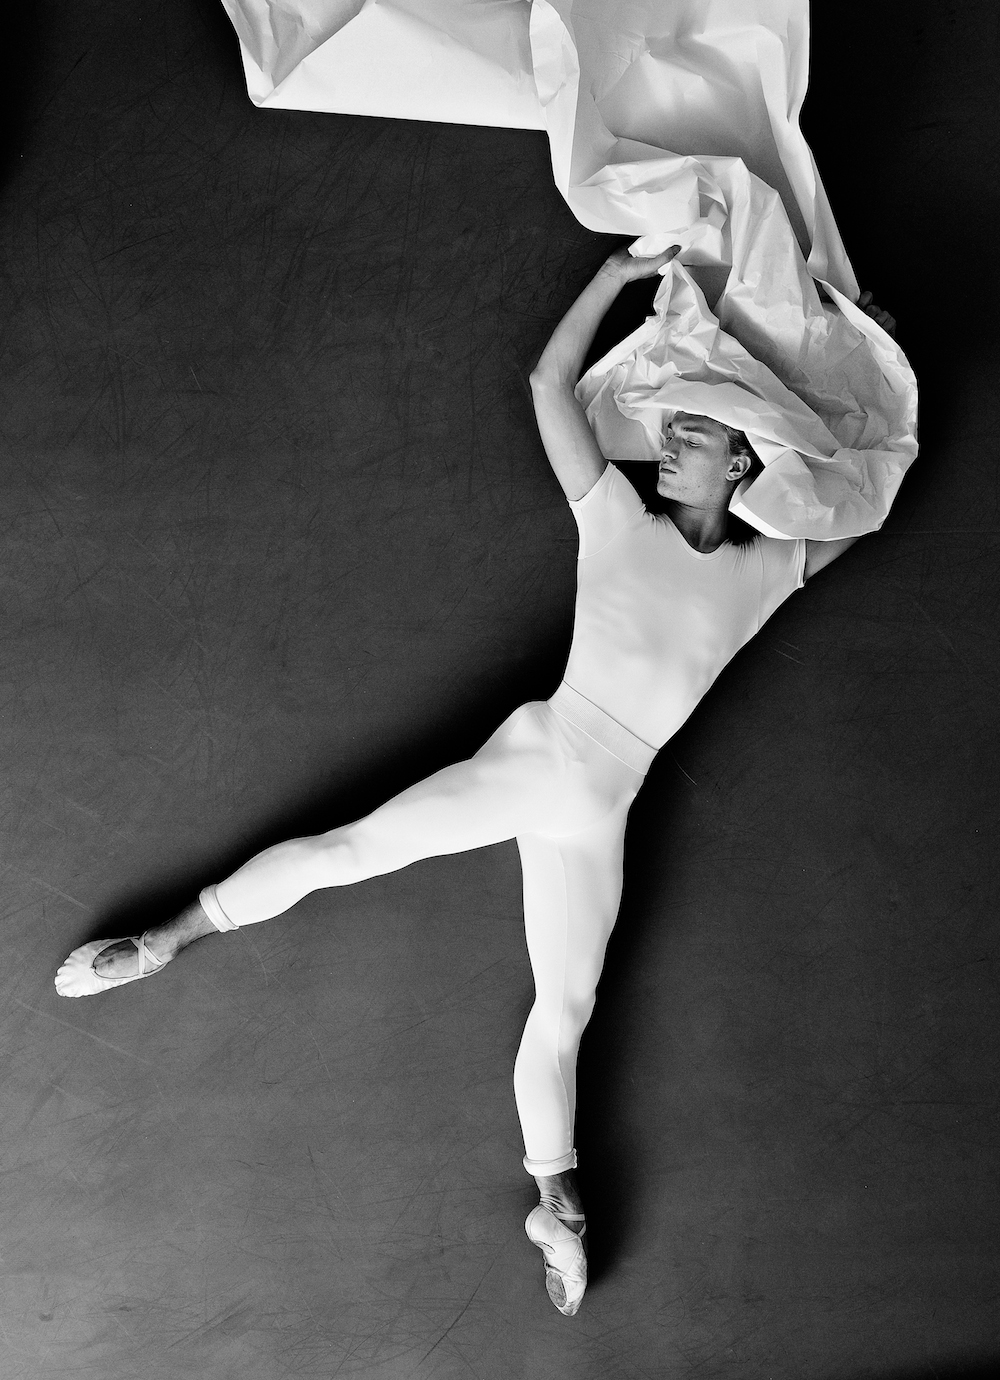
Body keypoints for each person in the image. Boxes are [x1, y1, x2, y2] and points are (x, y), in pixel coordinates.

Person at [54, 245, 896, 1318]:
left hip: (606, 803)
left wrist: (855, 355)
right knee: (356, 848)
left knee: (569, 1005)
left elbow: (865, 500)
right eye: (672, 427)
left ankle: (559, 1209)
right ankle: (165, 940)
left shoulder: (764, 571)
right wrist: (613, 278)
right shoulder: (617, 520)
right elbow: (548, 386)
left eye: (695, 435)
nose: (670, 442)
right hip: (548, 753)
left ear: (742, 465)